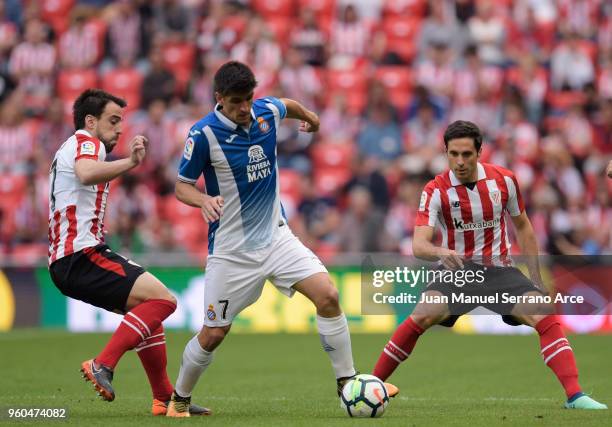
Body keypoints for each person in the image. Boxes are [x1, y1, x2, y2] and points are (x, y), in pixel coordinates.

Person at [167, 61, 398, 417]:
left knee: (329, 296)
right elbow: (182, 187)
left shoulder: (264, 111)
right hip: (232, 252)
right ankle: (179, 399)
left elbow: (287, 104)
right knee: (213, 334)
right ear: (219, 98)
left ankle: (347, 384)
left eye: (248, 99)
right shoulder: (203, 135)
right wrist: (203, 200)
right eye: (236, 102)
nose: (244, 108)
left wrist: (313, 119)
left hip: (277, 239)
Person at [370, 120, 607, 410]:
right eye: (453, 154)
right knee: (421, 316)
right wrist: (439, 252)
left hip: (499, 271)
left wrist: (535, 278)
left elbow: (524, 228)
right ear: (446, 152)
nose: (459, 161)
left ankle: (575, 396)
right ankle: (370, 385)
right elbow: (419, 245)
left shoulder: (504, 180)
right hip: (456, 273)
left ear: (479, 151)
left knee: (544, 315)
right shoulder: (435, 190)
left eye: (466, 154)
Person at [47, 89, 208, 416]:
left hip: (72, 258)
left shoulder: (76, 148)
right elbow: (86, 173)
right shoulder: (85, 141)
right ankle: (103, 364)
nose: (120, 128)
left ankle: (165, 398)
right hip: (80, 255)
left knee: (149, 312)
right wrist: (132, 162)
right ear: (91, 121)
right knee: (165, 300)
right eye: (113, 120)